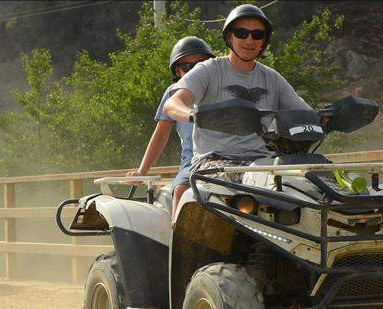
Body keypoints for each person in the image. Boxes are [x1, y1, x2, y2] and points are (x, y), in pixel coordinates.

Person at [162, 4, 312, 177]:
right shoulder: (208, 70)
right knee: (245, 183)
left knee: (309, 183)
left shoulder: (272, 78)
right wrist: (195, 115)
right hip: (213, 161)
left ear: (264, 41)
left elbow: (304, 113)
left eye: (257, 35)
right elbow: (172, 104)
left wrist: (328, 118)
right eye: (241, 33)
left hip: (264, 161)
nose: (249, 41)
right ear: (229, 36)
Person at [126, 36, 215, 215]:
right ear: (177, 71)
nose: (195, 70)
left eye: (201, 64)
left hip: (231, 158)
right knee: (182, 191)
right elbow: (161, 134)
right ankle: (177, 238)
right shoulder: (173, 93)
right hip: (193, 163)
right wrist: (142, 171)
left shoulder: (220, 87)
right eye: (188, 67)